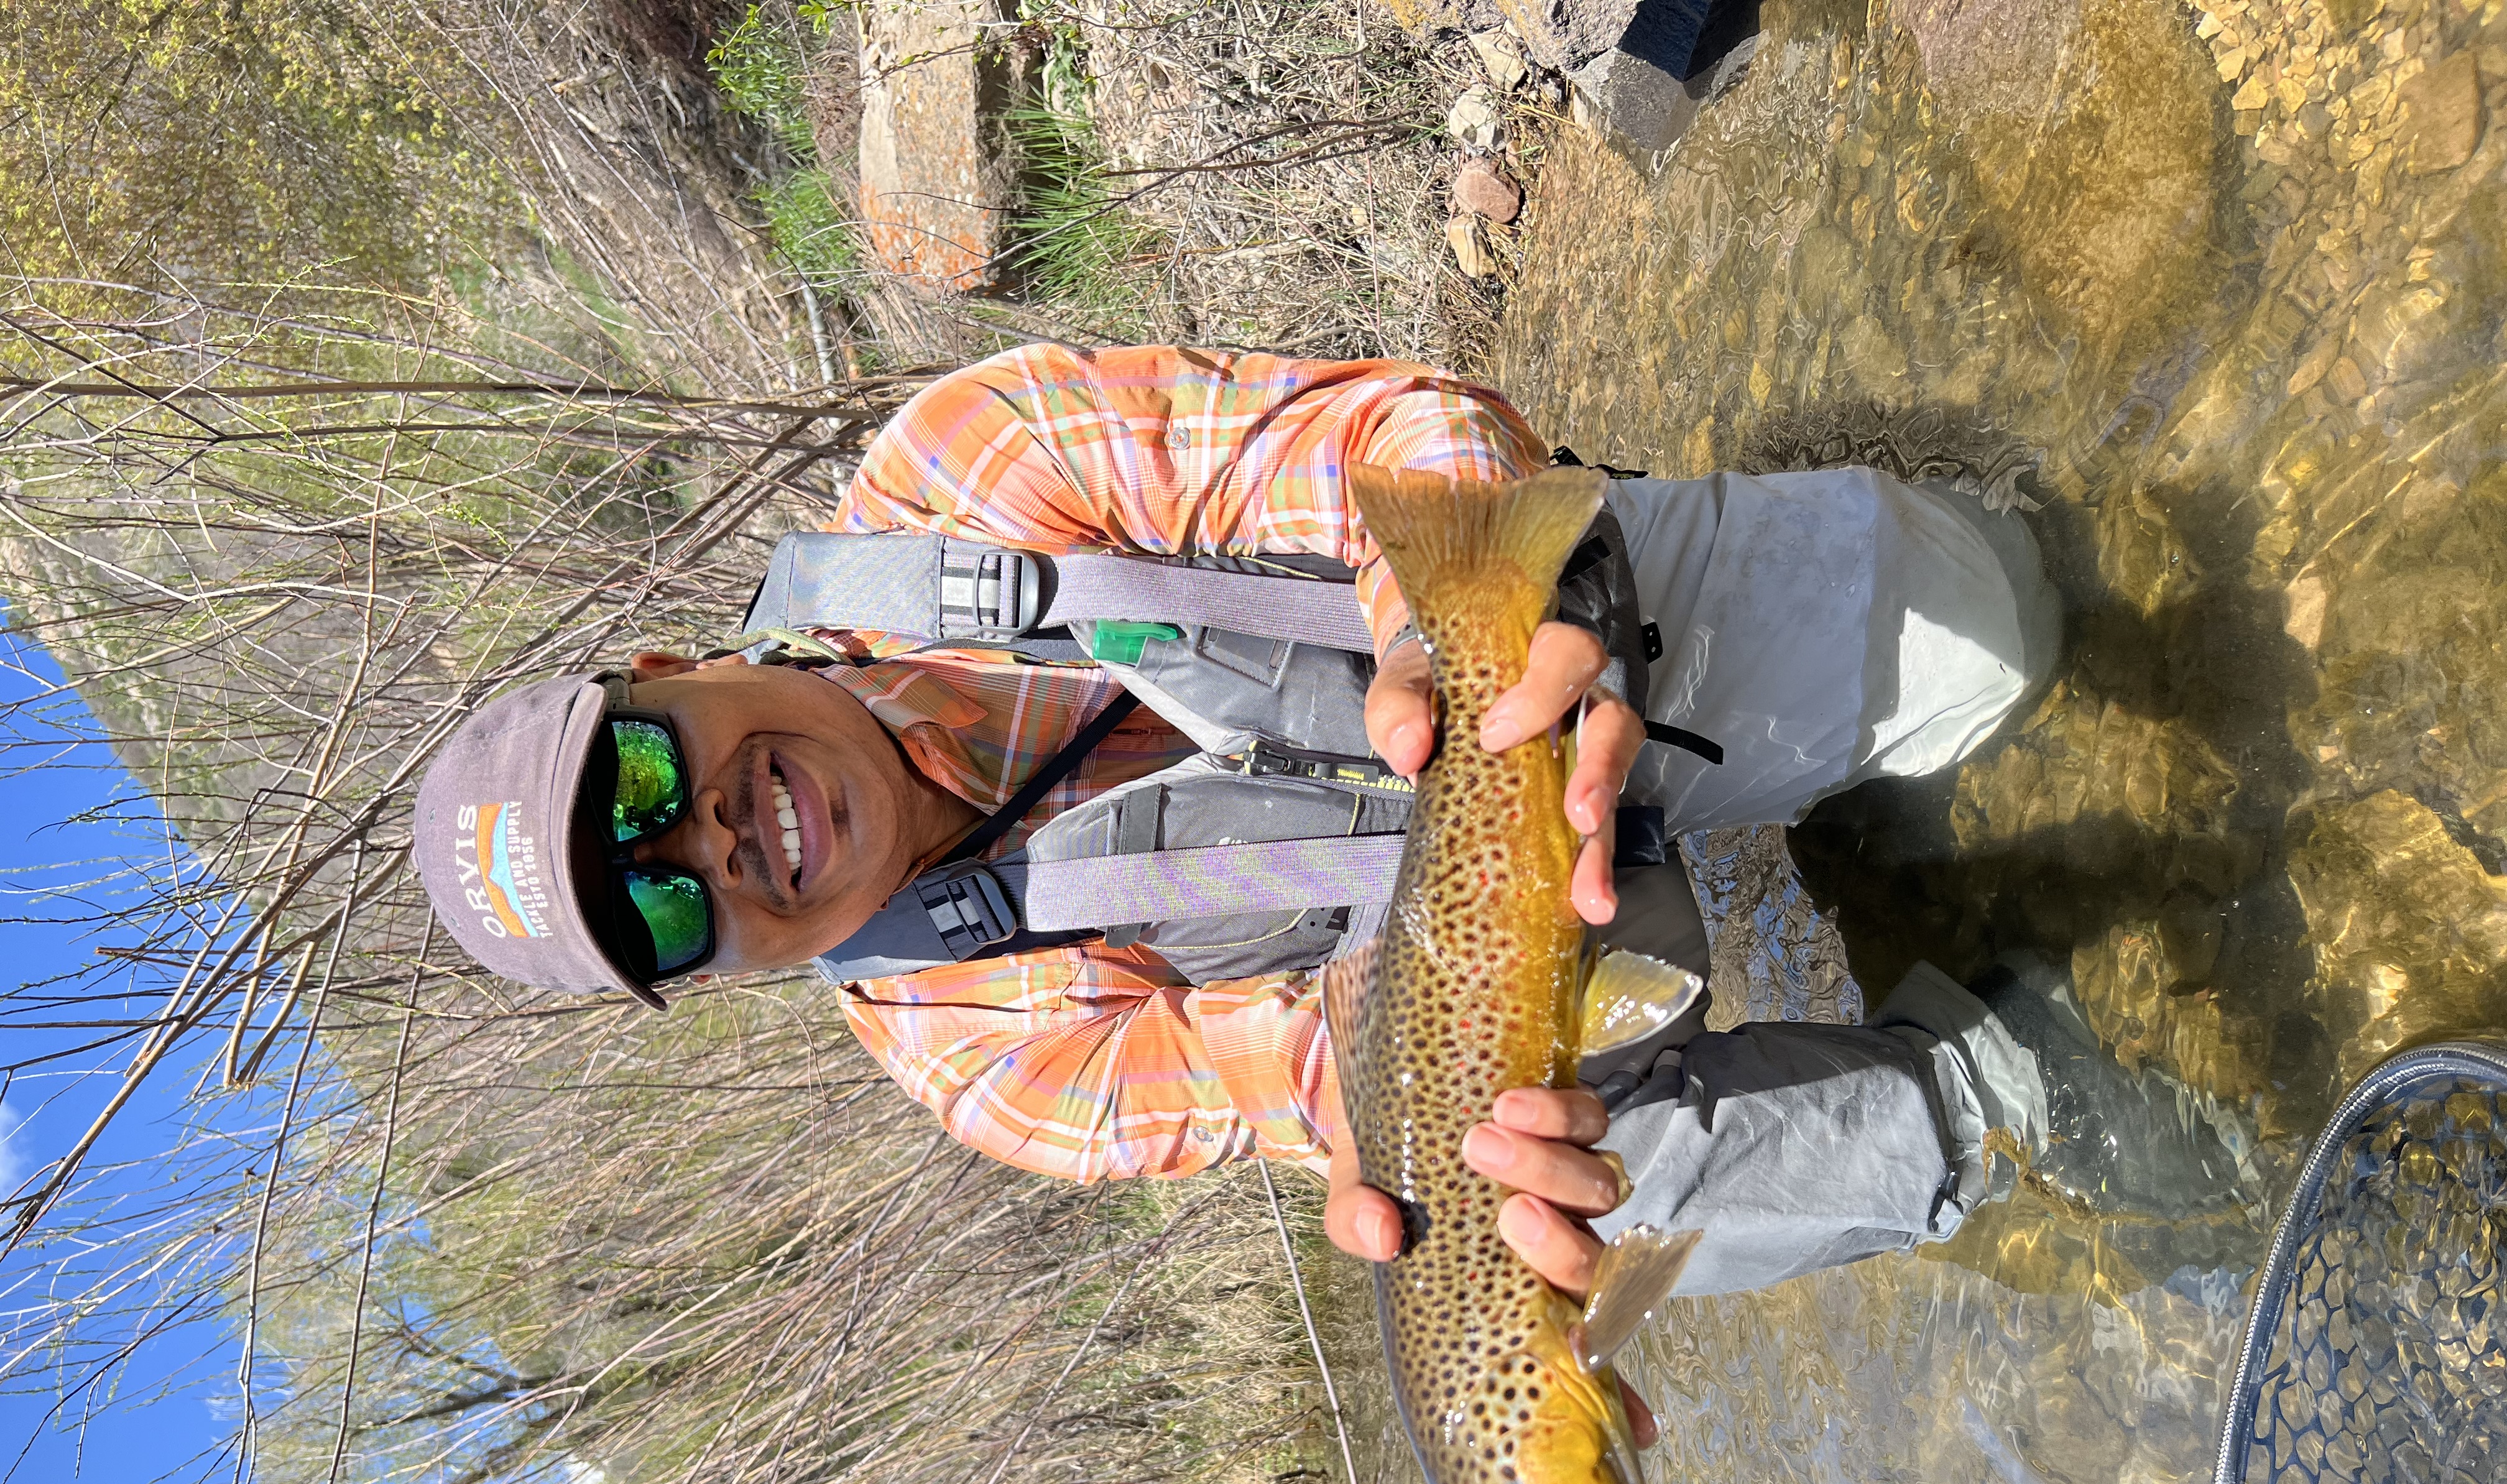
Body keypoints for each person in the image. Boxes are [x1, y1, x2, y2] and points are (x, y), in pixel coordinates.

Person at [413, 342, 2072, 1338]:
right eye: (662, 919)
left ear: (660, 673)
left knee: (2023, 632)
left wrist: (1490, 599)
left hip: (1556, 650)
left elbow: (1378, 437)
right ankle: (1998, 1102)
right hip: (1487, 959)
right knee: (1513, 1210)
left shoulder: (955, 476)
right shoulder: (983, 1063)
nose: (704, 844)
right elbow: (1299, 1086)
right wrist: (1390, 1123)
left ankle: (1919, 599)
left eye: (638, 785)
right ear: (710, 980)